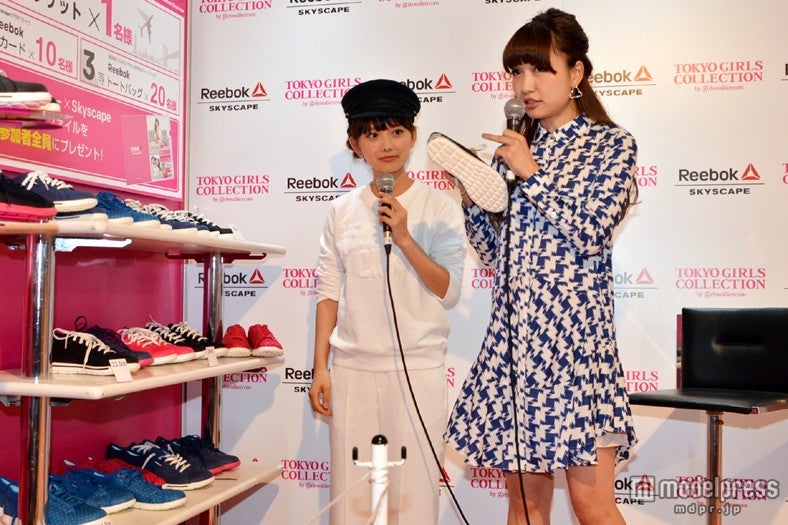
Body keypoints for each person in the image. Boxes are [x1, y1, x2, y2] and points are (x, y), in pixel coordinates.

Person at [444, 8, 638, 525]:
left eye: (540, 69)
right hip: (516, 347)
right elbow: (494, 254)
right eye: (516, 71)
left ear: (576, 73)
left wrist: (530, 172)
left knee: (592, 506)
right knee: (525, 506)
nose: (524, 85)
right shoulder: (511, 152)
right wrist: (474, 201)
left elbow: (590, 232)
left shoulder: (610, 145)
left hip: (574, 349)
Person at [308, 79, 467, 525]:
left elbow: (449, 289)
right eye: (373, 134)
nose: (386, 145)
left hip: (418, 370)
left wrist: (404, 237)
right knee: (353, 501)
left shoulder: (439, 206)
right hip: (353, 371)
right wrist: (320, 367)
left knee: (413, 501)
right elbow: (329, 291)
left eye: (397, 131)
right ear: (355, 144)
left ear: (413, 136)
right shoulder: (341, 210)